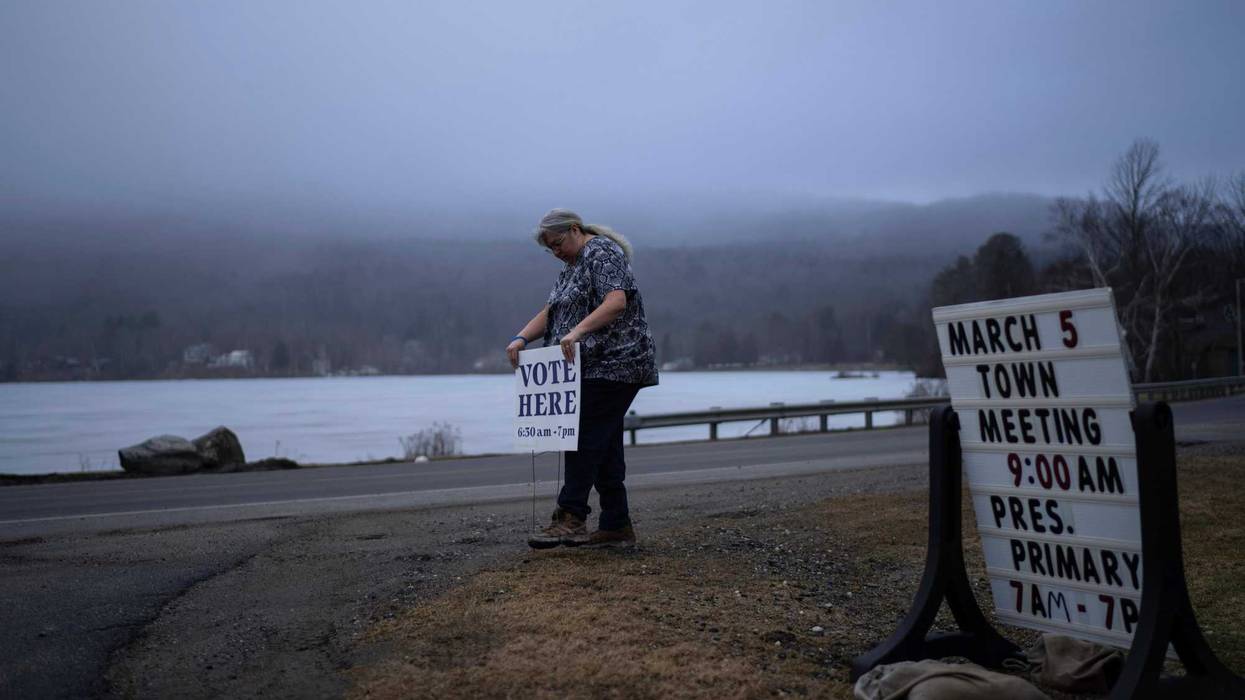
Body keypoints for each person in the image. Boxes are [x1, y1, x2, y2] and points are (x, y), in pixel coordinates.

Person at [507, 209, 659, 549]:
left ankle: (571, 516)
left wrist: (576, 332)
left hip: (619, 361)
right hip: (587, 367)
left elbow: (616, 302)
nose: (556, 252)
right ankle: (616, 525)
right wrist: (521, 338)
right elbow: (552, 312)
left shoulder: (602, 252)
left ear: (575, 230)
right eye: (550, 249)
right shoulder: (570, 269)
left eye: (558, 243)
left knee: (583, 434)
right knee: (603, 443)